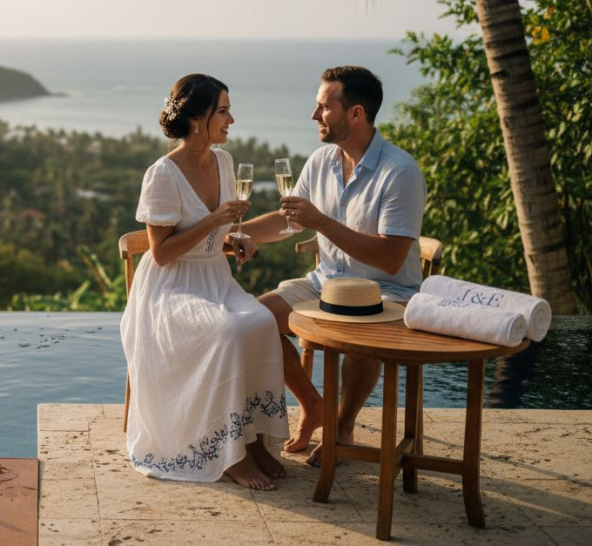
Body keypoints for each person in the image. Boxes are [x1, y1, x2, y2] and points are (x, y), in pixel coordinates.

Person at [239, 66, 427, 465]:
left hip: (387, 293)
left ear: (355, 114)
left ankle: (342, 427)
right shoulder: (323, 160)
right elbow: (288, 220)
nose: (314, 115)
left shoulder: (401, 172)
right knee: (249, 322)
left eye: (324, 107)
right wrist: (235, 232)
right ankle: (314, 405)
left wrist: (321, 222)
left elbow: (391, 258)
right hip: (325, 284)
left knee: (361, 342)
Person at [121, 73, 290, 490]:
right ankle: (227, 452)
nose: (232, 119)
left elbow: (214, 236)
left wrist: (235, 239)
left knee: (262, 322)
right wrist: (216, 220)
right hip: (172, 287)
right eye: (224, 111)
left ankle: (252, 441)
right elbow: (161, 252)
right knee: (230, 330)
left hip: (216, 277)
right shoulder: (162, 174)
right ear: (199, 118)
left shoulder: (224, 162)